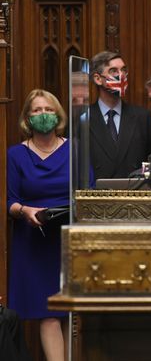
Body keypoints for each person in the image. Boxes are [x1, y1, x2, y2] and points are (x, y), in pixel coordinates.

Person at [7, 89, 70, 361]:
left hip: (69, 239)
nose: (43, 115)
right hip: (33, 241)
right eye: (37, 110)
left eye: (48, 109)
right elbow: (10, 200)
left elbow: (87, 191)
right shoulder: (15, 155)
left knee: (72, 312)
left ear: (58, 114)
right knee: (48, 314)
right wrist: (24, 210)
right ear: (26, 118)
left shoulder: (75, 149)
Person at [89, 51, 151, 179]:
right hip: (96, 194)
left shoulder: (142, 117)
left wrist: (143, 178)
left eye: (124, 70)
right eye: (113, 71)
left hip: (134, 192)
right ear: (98, 79)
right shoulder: (82, 118)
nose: (121, 75)